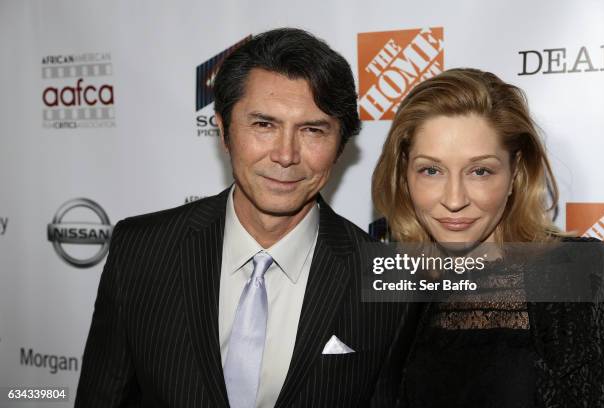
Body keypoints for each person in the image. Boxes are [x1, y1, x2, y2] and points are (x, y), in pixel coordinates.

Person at [75, 28, 406, 408]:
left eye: (313, 130)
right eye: (264, 124)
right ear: (223, 129)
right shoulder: (141, 248)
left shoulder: (386, 278)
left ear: (340, 145)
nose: (285, 155)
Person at [371, 68, 604, 407]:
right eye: (431, 170)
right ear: (404, 174)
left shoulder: (580, 273)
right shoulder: (397, 284)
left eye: (480, 171)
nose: (454, 200)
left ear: (515, 172)